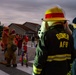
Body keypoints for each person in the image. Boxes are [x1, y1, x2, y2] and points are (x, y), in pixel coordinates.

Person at [32, 6, 75, 75]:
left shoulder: (47, 35)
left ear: (48, 22)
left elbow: (40, 57)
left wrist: (35, 73)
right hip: (64, 72)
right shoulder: (69, 36)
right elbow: (72, 56)